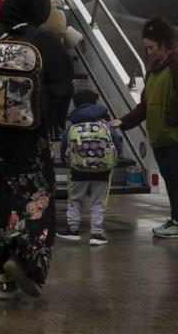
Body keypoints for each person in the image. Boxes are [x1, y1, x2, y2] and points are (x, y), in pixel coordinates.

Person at [0, 0, 73, 299]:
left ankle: (3, 277)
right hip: (29, 140)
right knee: (34, 202)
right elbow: (62, 89)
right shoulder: (45, 42)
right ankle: (25, 258)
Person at [112, 17, 178, 239]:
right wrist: (124, 121)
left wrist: (171, 120)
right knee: (171, 178)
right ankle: (176, 218)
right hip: (161, 135)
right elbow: (145, 106)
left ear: (164, 43)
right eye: (147, 48)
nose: (149, 52)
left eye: (151, 47)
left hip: (177, 135)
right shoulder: (154, 71)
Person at [57, 90, 123, 246]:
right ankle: (96, 234)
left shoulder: (74, 124)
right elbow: (117, 145)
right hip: (102, 171)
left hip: (78, 171)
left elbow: (64, 147)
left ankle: (73, 230)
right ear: (95, 103)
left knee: (75, 200)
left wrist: (68, 163)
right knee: (98, 202)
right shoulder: (104, 125)